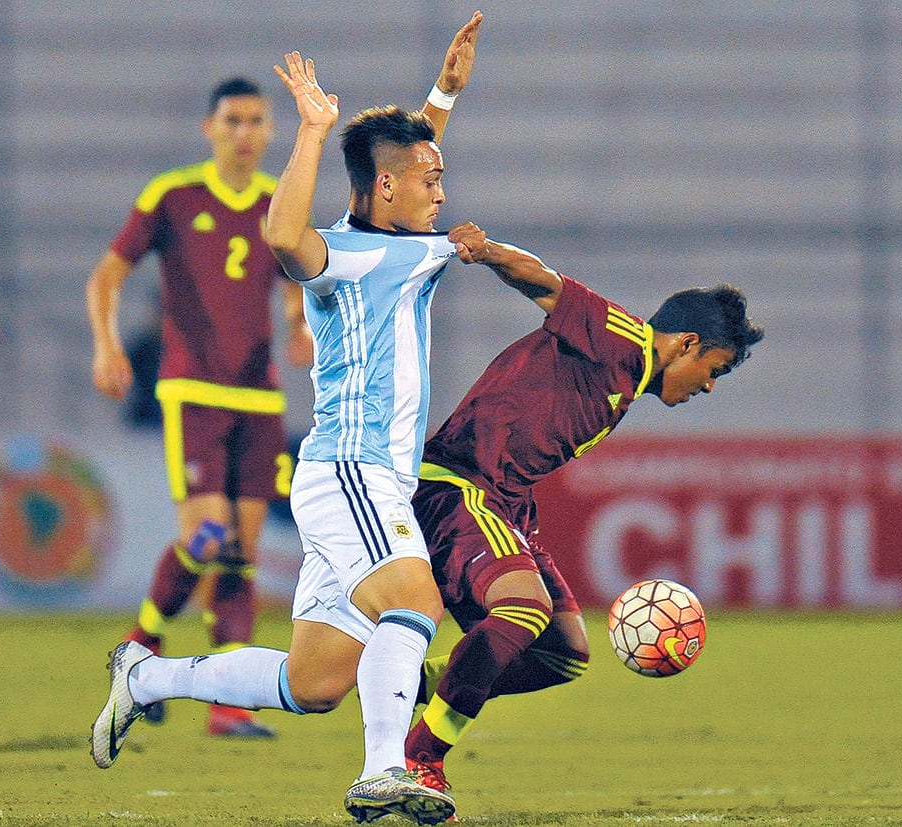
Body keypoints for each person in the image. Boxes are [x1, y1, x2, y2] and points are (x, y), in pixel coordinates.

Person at [92, 12, 484, 826]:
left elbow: (402, 160)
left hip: (363, 480)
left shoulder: (403, 231)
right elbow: (280, 232)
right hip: (349, 473)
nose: (441, 191)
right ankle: (383, 771)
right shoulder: (339, 254)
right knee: (414, 599)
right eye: (430, 181)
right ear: (387, 188)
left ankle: (146, 675)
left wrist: (443, 93)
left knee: (312, 683)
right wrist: (311, 130)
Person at [400, 229, 765, 796]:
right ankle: (422, 758)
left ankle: (403, 680)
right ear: (687, 344)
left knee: (561, 654)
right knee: (521, 610)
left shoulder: (628, 379)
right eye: (714, 370)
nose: (709, 388)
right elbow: (544, 282)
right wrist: (487, 250)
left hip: (505, 505)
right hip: (458, 486)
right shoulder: (623, 339)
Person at [86, 75, 313, 739]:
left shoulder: (278, 201)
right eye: (233, 121)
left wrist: (298, 322)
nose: (245, 133)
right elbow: (106, 275)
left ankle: (226, 703)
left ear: (269, 131)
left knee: (240, 552)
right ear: (210, 128)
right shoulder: (173, 195)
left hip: (258, 392)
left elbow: (295, 277)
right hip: (192, 390)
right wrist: (106, 345)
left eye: (255, 122)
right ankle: (143, 643)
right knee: (206, 537)